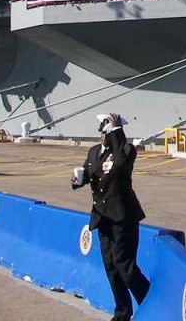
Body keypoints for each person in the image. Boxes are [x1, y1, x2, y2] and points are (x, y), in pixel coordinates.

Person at [72, 113, 150, 321]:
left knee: (125, 266)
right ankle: (122, 313)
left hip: (123, 216)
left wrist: (117, 132)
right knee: (111, 268)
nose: (102, 136)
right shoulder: (94, 152)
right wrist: (77, 180)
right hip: (102, 217)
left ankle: (150, 305)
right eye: (102, 131)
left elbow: (122, 165)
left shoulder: (125, 150)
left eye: (107, 132)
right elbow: (89, 174)